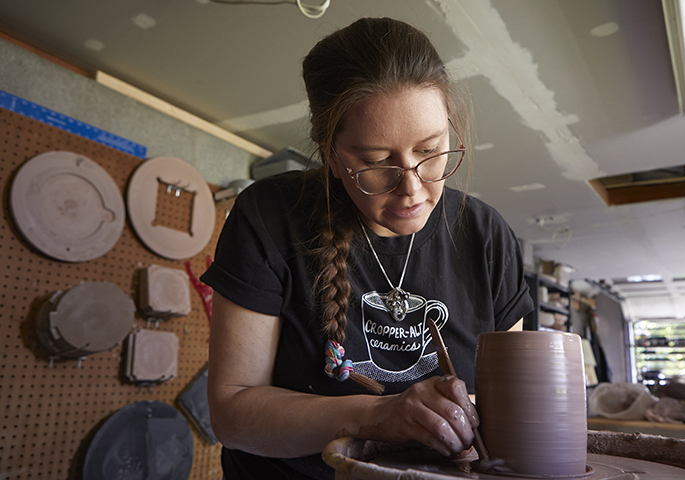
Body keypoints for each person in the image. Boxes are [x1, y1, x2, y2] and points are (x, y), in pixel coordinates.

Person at [201, 17, 534, 480]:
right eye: (377, 163)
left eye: (431, 150)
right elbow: (232, 413)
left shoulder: (485, 235)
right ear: (331, 155)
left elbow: (511, 401)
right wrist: (378, 415)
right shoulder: (270, 216)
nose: (412, 190)